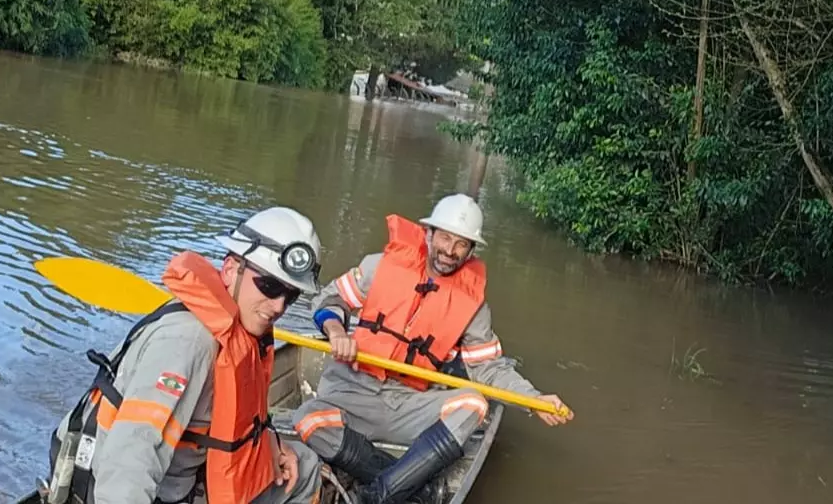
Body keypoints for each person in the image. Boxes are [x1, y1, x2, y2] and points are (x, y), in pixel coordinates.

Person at [292, 194, 574, 504]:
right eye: (445, 238)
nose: (450, 251)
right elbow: (327, 300)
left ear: (471, 250)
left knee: (473, 404)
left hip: (407, 402)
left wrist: (533, 399)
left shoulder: (474, 308)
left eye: (461, 244)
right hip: (352, 391)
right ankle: (421, 492)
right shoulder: (379, 266)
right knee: (307, 418)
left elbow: (490, 368)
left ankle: (376, 495)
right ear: (429, 233)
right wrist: (335, 330)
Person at [41, 208, 326, 504]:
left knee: (302, 464)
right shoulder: (188, 341)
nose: (278, 306)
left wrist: (272, 445)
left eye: (290, 296)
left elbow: (235, 420)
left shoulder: (242, 333)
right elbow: (131, 457)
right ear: (230, 270)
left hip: (190, 478)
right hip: (129, 490)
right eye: (269, 286)